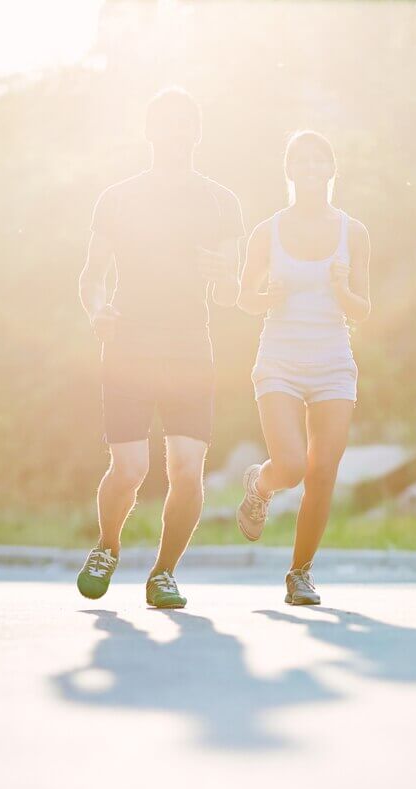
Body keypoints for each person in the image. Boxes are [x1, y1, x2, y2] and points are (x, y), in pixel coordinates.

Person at [76, 87, 244, 609]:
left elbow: (232, 290)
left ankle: (164, 573)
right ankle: (107, 546)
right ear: (149, 132)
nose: (177, 133)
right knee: (129, 470)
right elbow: (92, 275)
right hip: (128, 344)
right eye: (166, 124)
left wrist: (226, 277)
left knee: (187, 469)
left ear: (196, 132)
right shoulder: (119, 197)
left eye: (185, 124)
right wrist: (97, 309)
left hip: (190, 347)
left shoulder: (221, 201)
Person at [236, 130, 371, 605]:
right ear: (289, 170)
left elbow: (363, 309)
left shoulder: (353, 232)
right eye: (302, 161)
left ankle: (300, 573)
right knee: (291, 466)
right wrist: (266, 297)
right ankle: (259, 483)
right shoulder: (266, 231)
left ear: (332, 170)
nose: (311, 168)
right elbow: (244, 297)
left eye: (321, 161)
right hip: (280, 360)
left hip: (334, 363)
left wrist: (342, 290)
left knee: (323, 472)